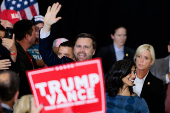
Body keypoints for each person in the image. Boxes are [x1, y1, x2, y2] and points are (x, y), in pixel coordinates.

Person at [133, 44, 165, 113]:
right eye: (139, 56)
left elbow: (158, 110)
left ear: (151, 62)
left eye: (146, 58)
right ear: (135, 58)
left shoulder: (157, 84)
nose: (141, 60)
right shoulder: (124, 78)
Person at [13, 19, 38, 98]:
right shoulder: (14, 53)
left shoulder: (27, 54)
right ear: (27, 36)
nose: (36, 35)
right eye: (34, 33)